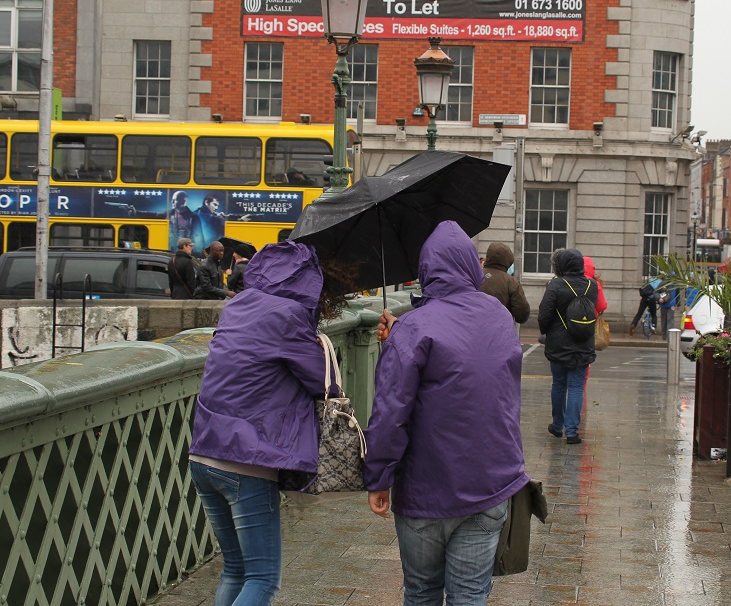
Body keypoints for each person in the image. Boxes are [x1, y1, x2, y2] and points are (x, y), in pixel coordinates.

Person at [365, 220, 528, 606]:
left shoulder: (415, 329)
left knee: (421, 593)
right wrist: (405, 329)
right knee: (469, 595)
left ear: (425, 270)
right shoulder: (499, 316)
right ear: (472, 265)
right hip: (491, 480)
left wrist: (378, 478)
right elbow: (471, 362)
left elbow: (391, 412)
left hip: (426, 485)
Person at [189, 240, 353, 605]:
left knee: (236, 569)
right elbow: (325, 383)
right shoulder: (288, 316)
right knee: (263, 577)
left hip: (204, 452)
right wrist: (318, 338)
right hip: (246, 458)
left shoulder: (237, 306)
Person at [538, 249, 598, 444]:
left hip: (558, 344)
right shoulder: (592, 286)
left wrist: (546, 332)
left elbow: (544, 314)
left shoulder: (556, 285)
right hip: (583, 342)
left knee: (559, 383)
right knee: (576, 387)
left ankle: (557, 426)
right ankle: (571, 432)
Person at [479, 242, 530, 324]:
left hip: (474, 329)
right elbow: (522, 314)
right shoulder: (511, 282)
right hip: (501, 330)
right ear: (508, 260)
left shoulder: (474, 276)